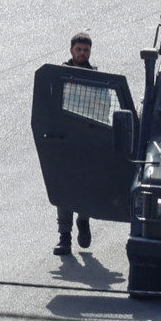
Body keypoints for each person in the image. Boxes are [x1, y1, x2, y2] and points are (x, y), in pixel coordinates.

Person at [56, 31, 96, 258]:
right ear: (71, 50)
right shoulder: (59, 75)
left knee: (85, 188)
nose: (82, 54)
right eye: (79, 49)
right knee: (63, 190)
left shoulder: (96, 77)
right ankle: (64, 237)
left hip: (88, 141)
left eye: (86, 50)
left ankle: (83, 220)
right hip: (64, 141)